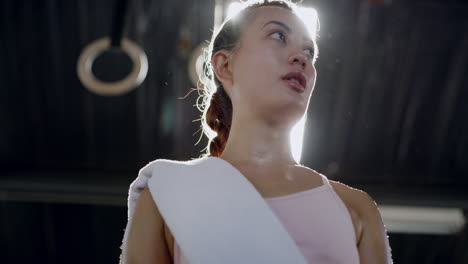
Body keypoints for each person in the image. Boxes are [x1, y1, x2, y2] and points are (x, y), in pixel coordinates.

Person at [121, 0, 393, 263]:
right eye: (278, 35)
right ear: (224, 65)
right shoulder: (168, 193)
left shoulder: (356, 208)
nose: (301, 58)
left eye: (310, 52)